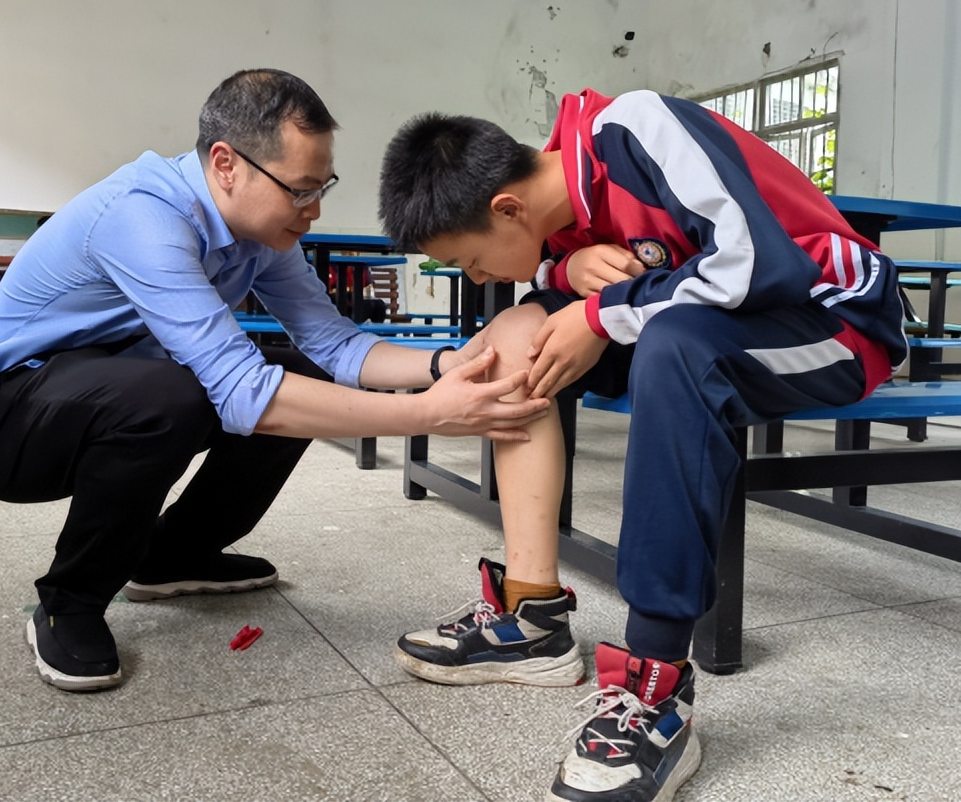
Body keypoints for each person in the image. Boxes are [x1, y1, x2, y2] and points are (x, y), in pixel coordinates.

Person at [376, 88, 907, 802]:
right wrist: (567, 275)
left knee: (674, 349)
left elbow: (752, 263)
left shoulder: (635, 130)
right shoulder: (553, 214)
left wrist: (601, 311)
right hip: (701, 318)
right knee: (513, 343)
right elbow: (546, 273)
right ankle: (533, 617)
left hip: (829, 317)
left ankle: (654, 689)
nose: (479, 280)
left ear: (507, 209)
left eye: (471, 262)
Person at [0, 69, 549, 694]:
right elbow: (240, 391)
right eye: (301, 190)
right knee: (174, 399)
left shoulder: (262, 235)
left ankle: (169, 556)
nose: (313, 210)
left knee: (298, 375)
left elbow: (333, 343)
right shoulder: (142, 217)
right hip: (1, 421)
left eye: (323, 188)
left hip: (103, 398)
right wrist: (430, 414)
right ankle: (68, 601)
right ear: (227, 164)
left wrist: (444, 367)